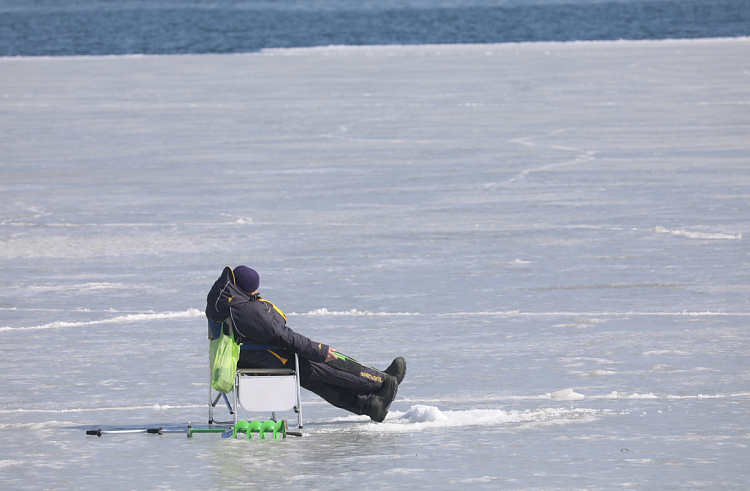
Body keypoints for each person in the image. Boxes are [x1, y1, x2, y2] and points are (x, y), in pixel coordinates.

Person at [205, 265, 406, 422]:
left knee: (316, 380)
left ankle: (371, 405)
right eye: (255, 291)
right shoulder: (244, 310)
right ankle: (382, 382)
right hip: (264, 356)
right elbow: (281, 332)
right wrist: (319, 350)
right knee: (331, 362)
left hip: (248, 358)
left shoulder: (224, 299)